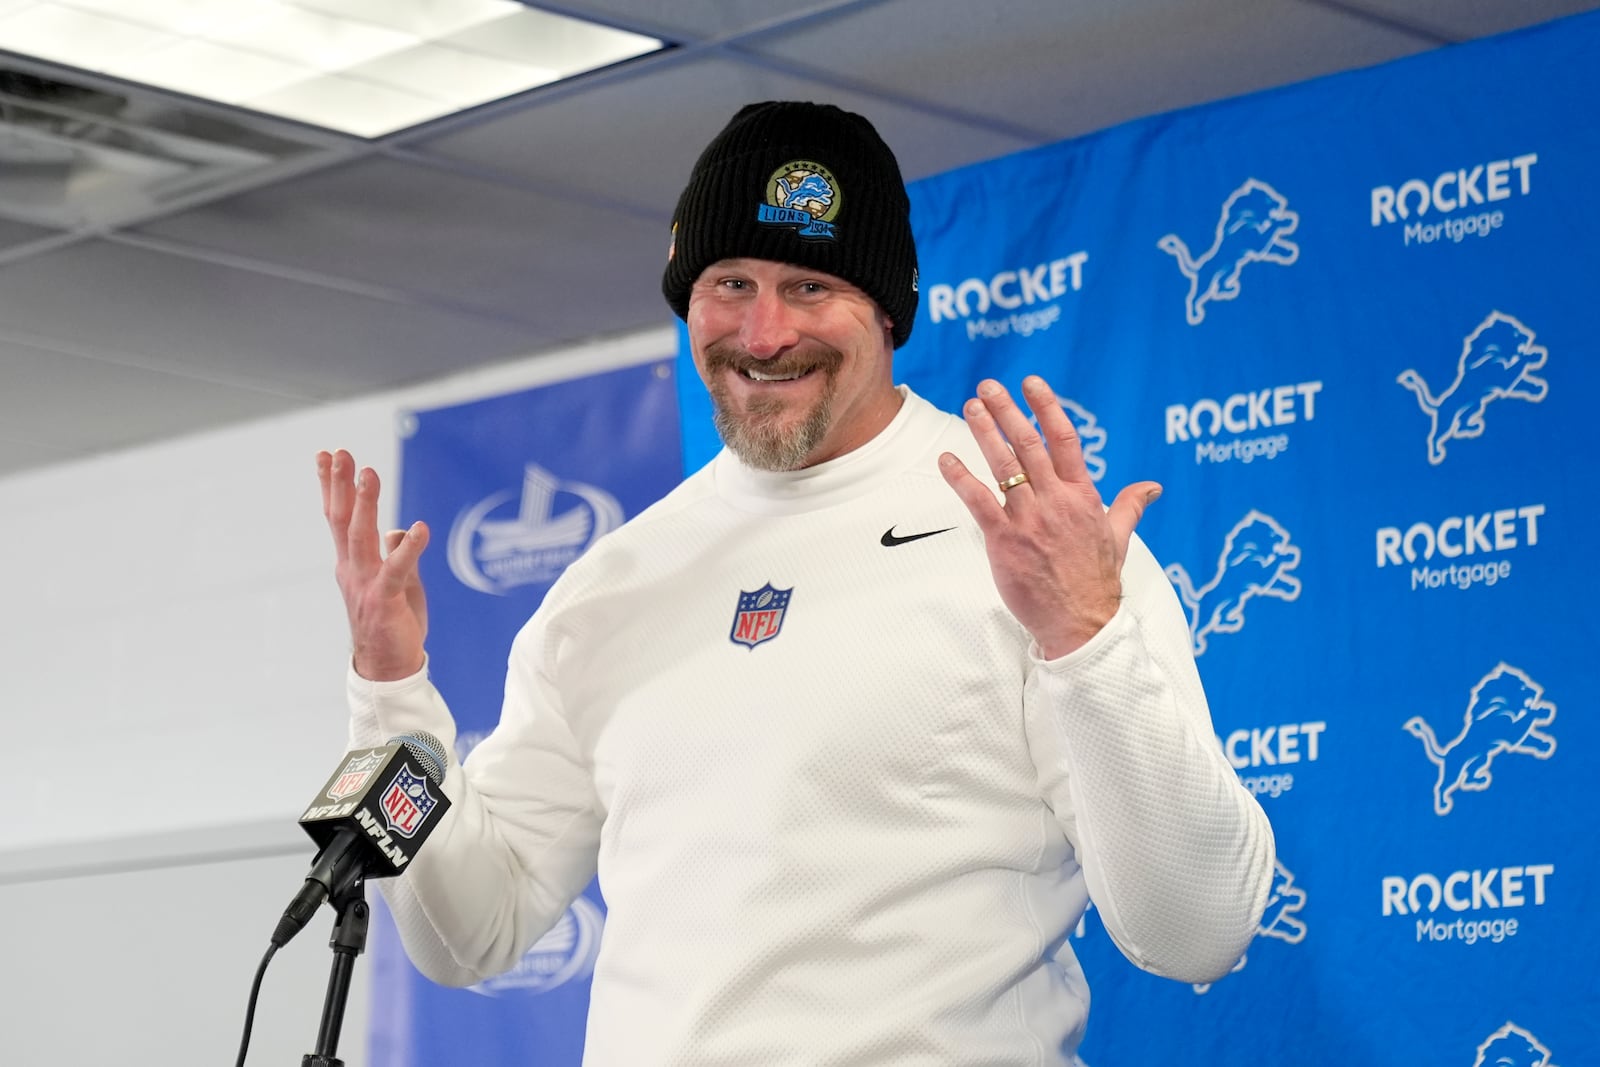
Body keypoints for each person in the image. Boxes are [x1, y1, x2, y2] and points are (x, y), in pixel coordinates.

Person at [318, 100, 1274, 1064]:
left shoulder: (1038, 548)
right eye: (730, 281)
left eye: (811, 285)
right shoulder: (611, 585)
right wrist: (394, 696)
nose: (764, 332)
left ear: (888, 310)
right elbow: (470, 934)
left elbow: (1198, 929)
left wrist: (1085, 634)